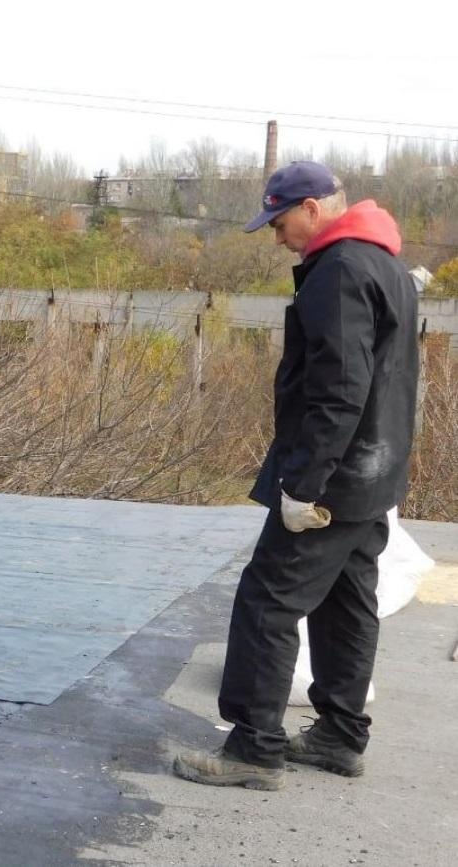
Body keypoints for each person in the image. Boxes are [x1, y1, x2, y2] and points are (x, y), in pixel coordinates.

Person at [173, 162, 419, 790]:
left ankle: (254, 748)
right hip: (375, 470)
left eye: (280, 223)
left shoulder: (338, 272)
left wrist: (305, 484)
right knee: (346, 601)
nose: (278, 238)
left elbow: (340, 389)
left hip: (334, 477)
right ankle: (339, 736)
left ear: (311, 208)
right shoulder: (385, 264)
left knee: (267, 600)